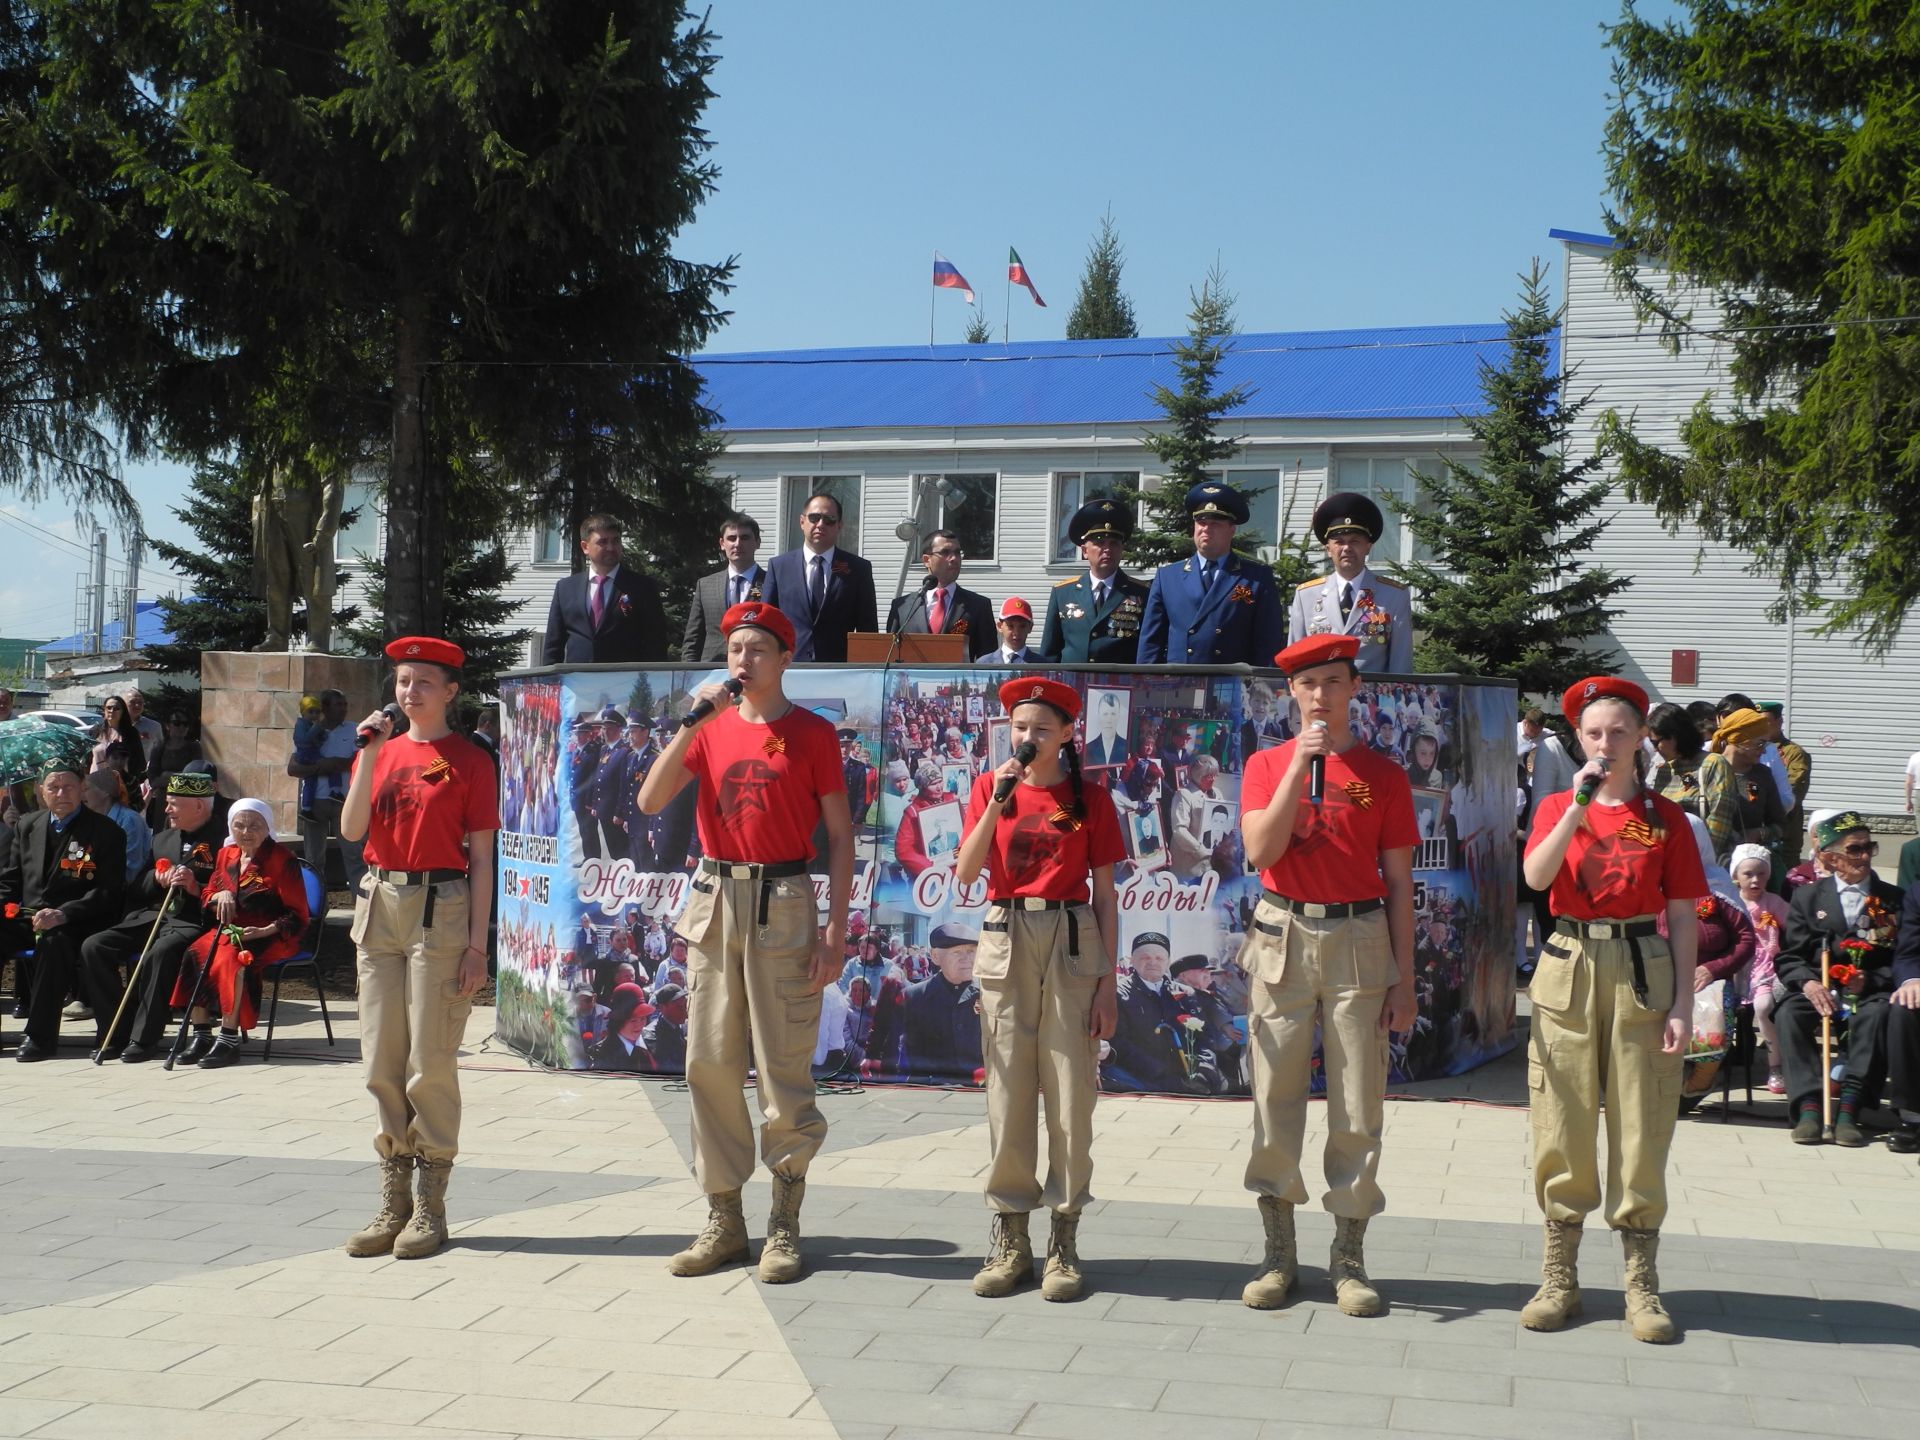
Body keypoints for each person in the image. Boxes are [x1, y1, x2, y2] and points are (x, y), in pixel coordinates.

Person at [637, 601, 853, 1284]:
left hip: (784, 900)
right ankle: (724, 1217)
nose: (743, 660)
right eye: (735, 648)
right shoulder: (710, 726)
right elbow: (649, 800)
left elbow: (842, 839)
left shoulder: (813, 734)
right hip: (713, 898)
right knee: (708, 1062)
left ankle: (783, 1223)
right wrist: (691, 722)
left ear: (785, 658)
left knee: (784, 1069)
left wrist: (836, 929)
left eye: (758, 648)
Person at [1235, 633, 1418, 1318]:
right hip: (1283, 933)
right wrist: (1297, 770)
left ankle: (1348, 1255)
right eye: (1309, 684)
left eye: (1334, 683)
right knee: (1275, 1097)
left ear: (1354, 690)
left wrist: (1404, 978)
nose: (1321, 696)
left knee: (1356, 1102)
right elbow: (1260, 849)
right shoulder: (1266, 763)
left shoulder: (1385, 773)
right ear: (1291, 692)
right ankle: (1279, 1253)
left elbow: (1400, 882)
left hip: (1360, 937)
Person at [1520, 675, 1703, 1344]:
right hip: (1568, 963)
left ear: (1640, 739)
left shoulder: (1667, 817)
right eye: (1593, 733)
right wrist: (1575, 804)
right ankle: (1559, 1274)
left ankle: (1641, 1284)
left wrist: (1685, 1001)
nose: (1605, 742)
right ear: (1578, 739)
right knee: (1560, 1119)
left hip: (1641, 967)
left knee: (1642, 1119)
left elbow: (1683, 915)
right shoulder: (1555, 805)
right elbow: (1536, 878)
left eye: (1619, 731)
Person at [955, 676, 1122, 1301]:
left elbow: (1105, 893)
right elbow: (968, 870)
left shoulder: (1089, 799)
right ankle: (1010, 1236)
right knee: (1008, 1090)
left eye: (1042, 729)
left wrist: (1108, 982)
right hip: (1005, 934)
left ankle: (1065, 1236)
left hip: (1074, 940)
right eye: (1021, 728)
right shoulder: (987, 788)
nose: (1028, 738)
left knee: (1071, 1092)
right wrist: (997, 800)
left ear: (1067, 734)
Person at [339, 636, 499, 1261]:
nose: (409, 693)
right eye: (403, 682)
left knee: (428, 1064)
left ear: (451, 692)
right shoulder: (379, 750)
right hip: (379, 905)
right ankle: (393, 1199)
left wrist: (478, 947)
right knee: (381, 1059)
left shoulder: (470, 759)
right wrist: (370, 755)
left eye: (423, 683)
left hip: (443, 906)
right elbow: (354, 829)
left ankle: (431, 1203)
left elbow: (483, 858)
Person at [1772, 811, 1911, 1148]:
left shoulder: (1892, 898)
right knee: (1789, 1014)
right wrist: (1808, 983)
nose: (1864, 856)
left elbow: (1902, 957)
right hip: (1818, 986)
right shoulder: (1808, 897)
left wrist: (1873, 979)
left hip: (1869, 990)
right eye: (1855, 849)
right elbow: (1789, 956)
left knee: (1878, 1015)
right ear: (1831, 858)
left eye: (1869, 848)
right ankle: (1807, 1106)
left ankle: (1850, 1107)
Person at [82, 771, 228, 1062]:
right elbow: (136, 888)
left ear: (198, 806)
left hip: (194, 921)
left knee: (159, 954)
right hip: (154, 917)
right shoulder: (163, 838)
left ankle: (144, 1039)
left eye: (174, 803)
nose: (167, 809)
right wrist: (156, 878)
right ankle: (115, 1029)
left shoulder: (224, 841)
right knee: (94, 947)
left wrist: (194, 886)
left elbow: (230, 891)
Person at [166, 797, 310, 1069]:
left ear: (267, 827)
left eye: (254, 825)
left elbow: (298, 914)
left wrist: (264, 930)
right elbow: (207, 894)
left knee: (235, 958)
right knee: (196, 952)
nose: (246, 832)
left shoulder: (282, 860)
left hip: (271, 933)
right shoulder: (226, 855)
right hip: (231, 930)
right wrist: (220, 894)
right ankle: (201, 1034)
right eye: (239, 825)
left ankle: (229, 1038)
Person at [1, 762, 127, 1061]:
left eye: (69, 786)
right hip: (29, 916)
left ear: (82, 788)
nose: (61, 793)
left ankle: (39, 1037)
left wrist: (64, 913)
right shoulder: (28, 825)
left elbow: (108, 891)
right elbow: (11, 879)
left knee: (53, 942)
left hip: (79, 920)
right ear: (41, 792)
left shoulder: (106, 831)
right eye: (53, 787)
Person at [1138, 482, 1287, 666]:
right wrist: (1145, 685)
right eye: (1201, 522)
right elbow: (1151, 643)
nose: (1206, 529)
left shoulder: (1255, 577)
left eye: (1215, 523)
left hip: (1231, 684)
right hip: (1179, 684)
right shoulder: (1168, 577)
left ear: (1231, 530)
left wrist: (1261, 689)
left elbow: (1268, 642)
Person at [1287, 492, 1415, 673]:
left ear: (1368, 546)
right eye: (1339, 542)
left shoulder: (1393, 596)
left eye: (1355, 541)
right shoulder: (1306, 595)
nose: (1347, 548)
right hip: (1323, 697)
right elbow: (1296, 659)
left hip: (1371, 698)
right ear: (1328, 549)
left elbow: (1401, 663)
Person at [760, 492, 878, 663]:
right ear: (802, 522)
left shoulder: (858, 569)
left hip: (840, 670)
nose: (821, 524)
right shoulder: (778, 567)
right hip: (789, 667)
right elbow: (767, 623)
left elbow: (868, 628)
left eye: (829, 519)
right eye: (814, 517)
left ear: (839, 525)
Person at [539, 513, 670, 665]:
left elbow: (656, 643)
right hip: (578, 682)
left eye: (616, 541)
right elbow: (553, 646)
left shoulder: (642, 587)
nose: (611, 547)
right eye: (603, 542)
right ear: (585, 547)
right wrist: (550, 682)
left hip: (624, 682)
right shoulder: (566, 588)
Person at [1040, 498, 1151, 664]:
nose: (1107, 549)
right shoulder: (1062, 593)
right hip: (1073, 685)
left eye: (1114, 543)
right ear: (1084, 551)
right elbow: (1050, 653)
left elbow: (1147, 650)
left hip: (1119, 686)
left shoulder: (1141, 593)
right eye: (1100, 542)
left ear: (1121, 549)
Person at [1105, 932, 1218, 1094]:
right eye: (1145, 957)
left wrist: (1204, 1070)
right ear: (1133, 961)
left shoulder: (1186, 994)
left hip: (1192, 1081)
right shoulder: (1118, 994)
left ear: (1168, 962)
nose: (1152, 963)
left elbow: (1206, 1036)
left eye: (1159, 958)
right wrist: (1160, 1072)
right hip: (1143, 1082)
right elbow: (1119, 1043)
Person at [288, 689, 366, 889]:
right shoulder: (309, 730)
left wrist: (335, 764)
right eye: (337, 705)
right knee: (314, 859)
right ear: (324, 708)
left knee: (355, 856)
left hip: (346, 801)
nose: (343, 709)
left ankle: (362, 909)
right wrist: (322, 767)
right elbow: (294, 767)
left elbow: (362, 762)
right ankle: (315, 910)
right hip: (316, 802)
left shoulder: (354, 729)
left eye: (344, 704)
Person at [1729, 844, 1790, 1095]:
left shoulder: (1773, 903)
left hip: (1764, 968)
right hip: (1735, 968)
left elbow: (1796, 928)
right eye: (1749, 874)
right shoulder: (1729, 902)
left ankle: (1775, 1065)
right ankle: (1711, 1060)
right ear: (1735, 876)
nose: (1756, 880)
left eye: (1762, 874)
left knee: (1764, 1007)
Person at [1647, 702, 1740, 864]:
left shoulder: (1713, 763)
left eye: (1656, 742)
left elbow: (1719, 823)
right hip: (1670, 861)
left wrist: (1698, 863)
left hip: (1704, 863)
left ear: (1674, 736)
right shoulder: (1663, 770)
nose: (1655, 749)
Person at [886, 529, 995, 660]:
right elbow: (890, 655)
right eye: (945, 552)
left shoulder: (978, 606)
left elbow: (988, 661)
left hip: (958, 680)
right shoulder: (903, 607)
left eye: (957, 552)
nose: (954, 558)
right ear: (927, 560)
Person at [902, 922, 983, 1082]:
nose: (966, 959)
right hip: (934, 1087)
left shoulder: (989, 993)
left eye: (971, 951)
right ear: (936, 956)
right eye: (957, 952)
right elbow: (913, 1051)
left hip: (980, 1087)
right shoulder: (916, 996)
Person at [682, 512, 765, 663]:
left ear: (757, 542)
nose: (737, 544)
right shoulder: (705, 585)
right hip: (711, 671)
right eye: (732, 538)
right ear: (722, 543)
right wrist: (688, 674)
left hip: (755, 669)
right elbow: (692, 639)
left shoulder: (771, 584)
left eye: (745, 538)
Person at [1759, 702, 1811, 862]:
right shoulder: (1753, 748)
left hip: (1785, 832)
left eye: (1765, 722)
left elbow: (1793, 788)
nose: (1761, 727)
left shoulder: (1794, 753)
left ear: (1779, 721)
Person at [1169, 755, 1225, 880]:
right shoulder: (1184, 795)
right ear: (1198, 775)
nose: (1213, 779)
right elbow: (1179, 830)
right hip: (1189, 865)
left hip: (1210, 864)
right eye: (1209, 776)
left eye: (1215, 775)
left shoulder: (1217, 793)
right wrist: (1201, 851)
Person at [90, 695, 148, 793]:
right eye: (109, 708)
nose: (112, 711)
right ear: (104, 710)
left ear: (122, 712)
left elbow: (139, 761)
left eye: (116, 708)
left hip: (122, 784)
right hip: (97, 783)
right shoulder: (96, 731)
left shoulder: (131, 732)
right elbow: (87, 758)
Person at [591, 983, 655, 1071]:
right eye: (633, 1020)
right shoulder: (604, 1055)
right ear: (618, 1021)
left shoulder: (653, 1040)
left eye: (643, 1018)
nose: (640, 1025)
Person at [980, 597, 1042, 666]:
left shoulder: (1042, 665)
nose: (1016, 632)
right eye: (1010, 626)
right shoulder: (983, 663)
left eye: (1022, 626)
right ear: (1000, 626)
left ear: (1030, 627)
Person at [1084, 691, 1129, 768]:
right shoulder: (1089, 748)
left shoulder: (1125, 746)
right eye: (1105, 714)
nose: (1109, 720)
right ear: (1099, 716)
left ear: (1119, 715)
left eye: (1113, 714)